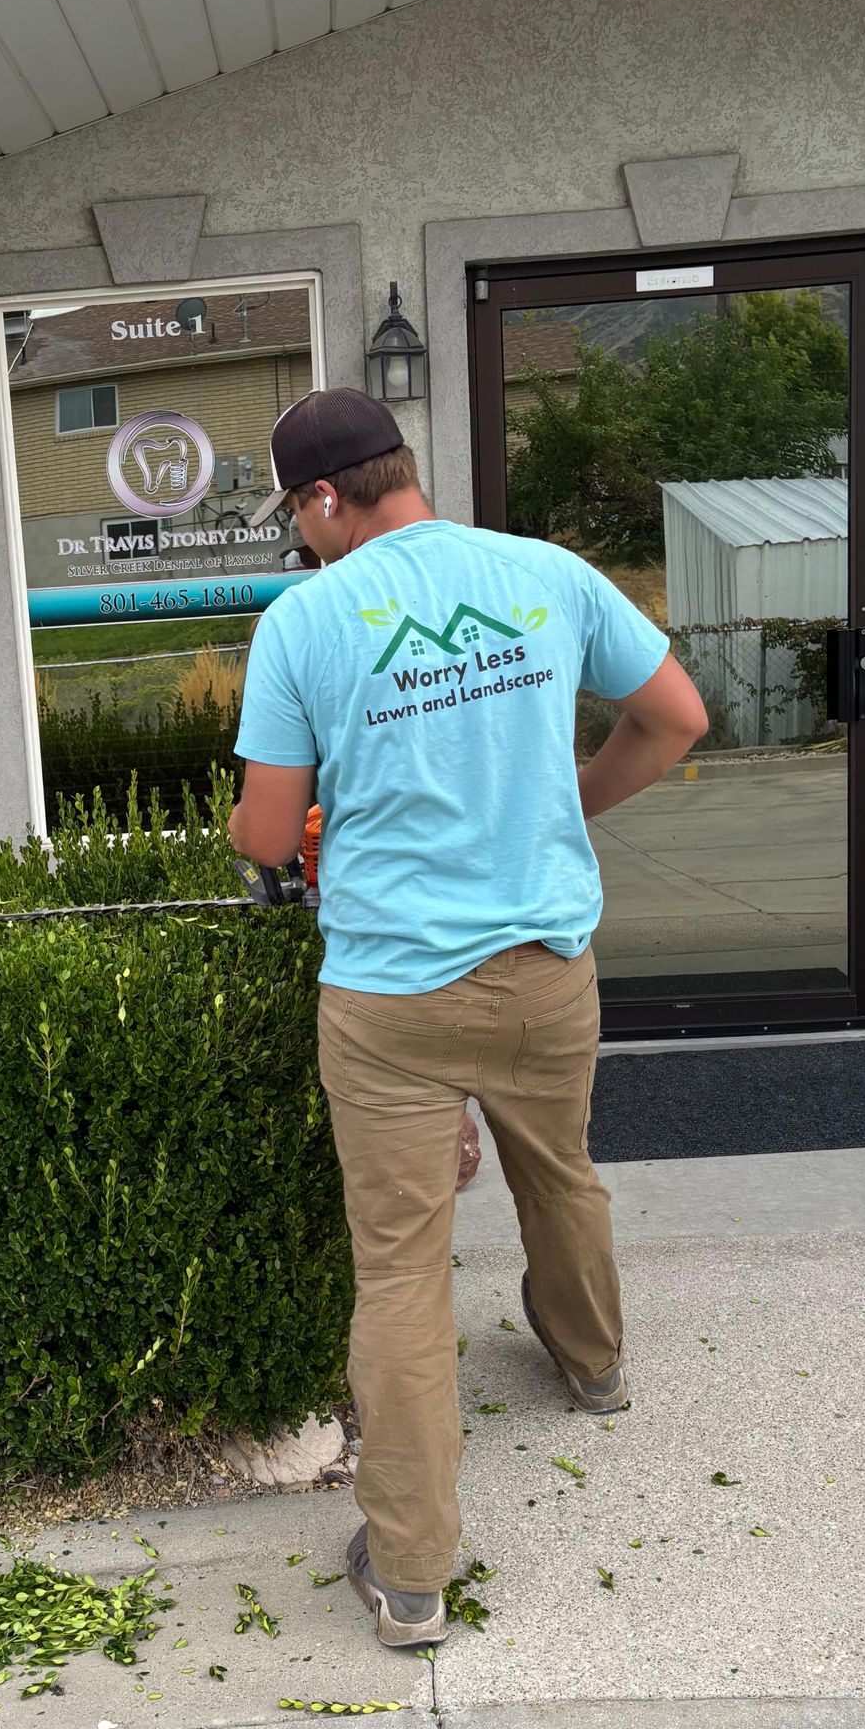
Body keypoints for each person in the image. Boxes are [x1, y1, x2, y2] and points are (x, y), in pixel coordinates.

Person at [229, 387, 705, 1650]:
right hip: (548, 965)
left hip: (392, 995)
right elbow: (678, 718)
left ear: (326, 498)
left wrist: (292, 827)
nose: (300, 541)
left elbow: (271, 834)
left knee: (399, 1270)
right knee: (563, 1170)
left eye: (298, 517)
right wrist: (569, 803)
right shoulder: (547, 574)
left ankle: (411, 1572)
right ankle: (593, 1365)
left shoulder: (307, 622)